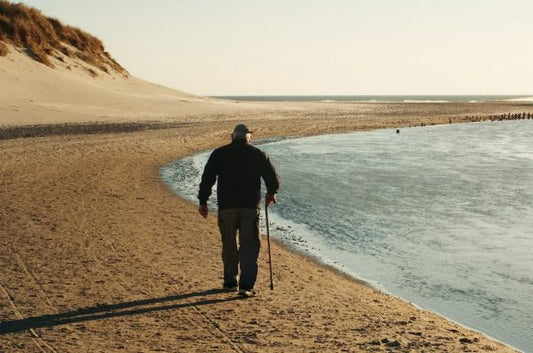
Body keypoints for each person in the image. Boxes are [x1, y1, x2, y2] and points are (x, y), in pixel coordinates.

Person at [198, 124, 280, 297]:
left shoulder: (220, 153)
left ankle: (230, 282)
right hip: (250, 207)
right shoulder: (257, 154)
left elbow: (207, 178)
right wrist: (271, 193)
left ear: (232, 136)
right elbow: (272, 178)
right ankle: (246, 286)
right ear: (248, 137)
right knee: (249, 246)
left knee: (229, 244)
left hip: (227, 207)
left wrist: (203, 201)